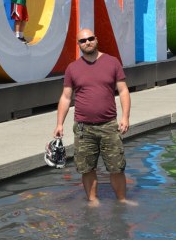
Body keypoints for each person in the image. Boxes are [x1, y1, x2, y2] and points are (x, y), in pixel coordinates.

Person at [54, 28, 132, 206]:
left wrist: (125, 117)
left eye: (90, 39)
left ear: (96, 40)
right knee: (86, 168)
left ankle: (122, 200)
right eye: (83, 40)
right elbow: (66, 97)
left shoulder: (112, 62)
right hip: (83, 127)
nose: (87, 42)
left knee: (116, 167)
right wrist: (59, 124)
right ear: (78, 44)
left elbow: (123, 91)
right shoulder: (73, 68)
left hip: (109, 125)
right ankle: (93, 200)